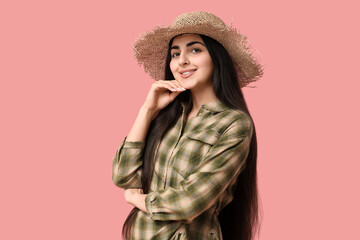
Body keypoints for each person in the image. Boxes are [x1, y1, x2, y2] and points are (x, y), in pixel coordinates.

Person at [112, 11, 264, 240]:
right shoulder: (168, 117)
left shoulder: (233, 124)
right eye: (175, 53)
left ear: (216, 57)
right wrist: (148, 110)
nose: (181, 60)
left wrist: (135, 199)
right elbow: (123, 176)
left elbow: (189, 201)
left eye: (195, 50)